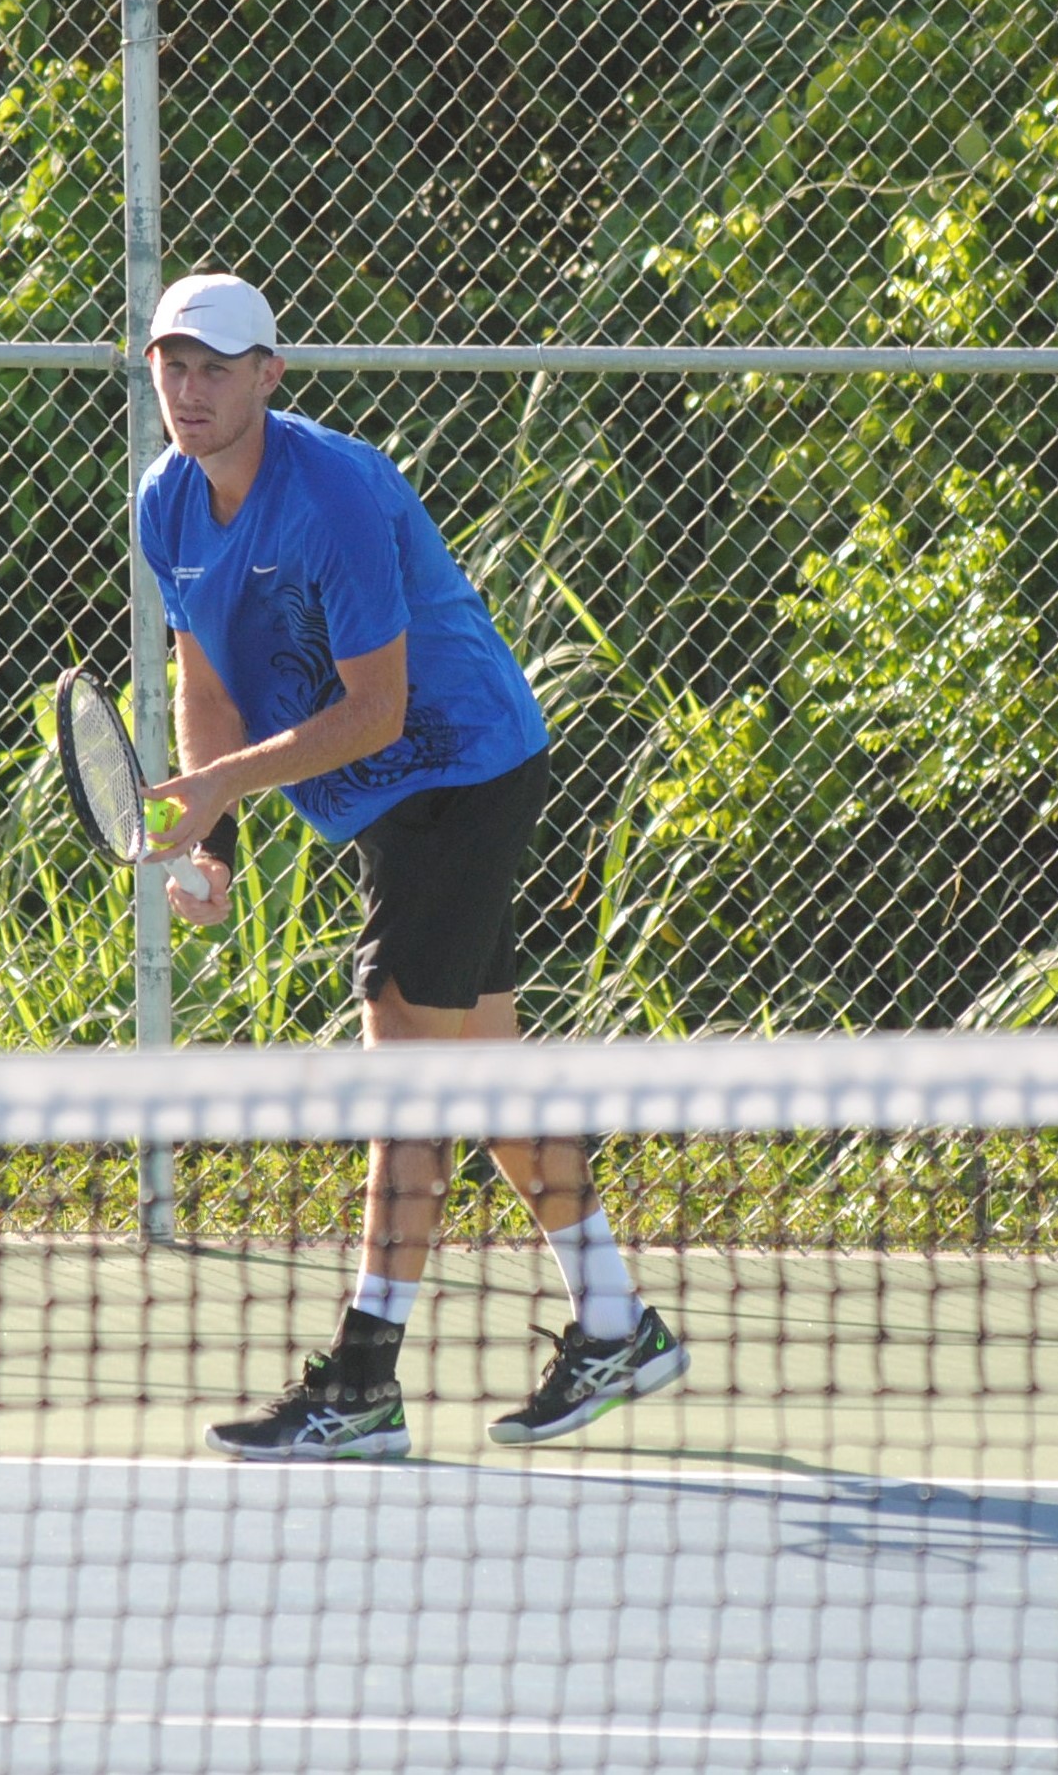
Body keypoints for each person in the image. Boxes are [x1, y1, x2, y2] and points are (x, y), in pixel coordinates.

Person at [134, 271, 689, 1459]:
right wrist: (212, 840)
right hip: (383, 806)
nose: (189, 390)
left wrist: (224, 786)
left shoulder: (328, 494)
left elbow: (376, 713)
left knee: (404, 1076)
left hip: (458, 772)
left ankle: (363, 1383)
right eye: (171, 364)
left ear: (268, 376)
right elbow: (208, 682)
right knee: (477, 1078)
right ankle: (616, 1323)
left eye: (215, 367)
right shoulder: (165, 504)